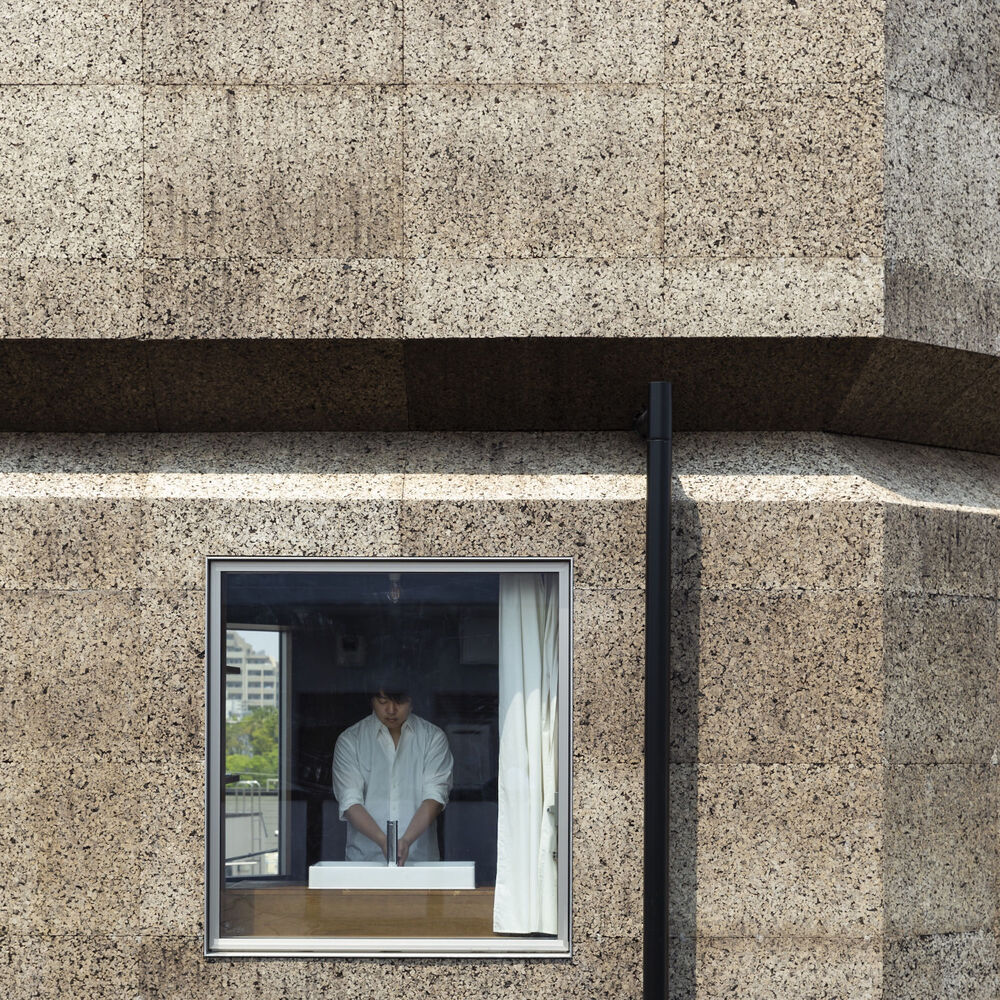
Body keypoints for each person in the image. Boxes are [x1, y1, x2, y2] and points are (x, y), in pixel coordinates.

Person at [331, 671, 454, 866]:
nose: (391, 710)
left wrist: (406, 841)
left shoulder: (432, 738)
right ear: (372, 700)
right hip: (365, 862)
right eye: (382, 701)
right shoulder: (350, 741)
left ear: (413, 701)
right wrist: (383, 841)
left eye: (400, 702)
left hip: (420, 862)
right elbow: (350, 801)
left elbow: (435, 796)